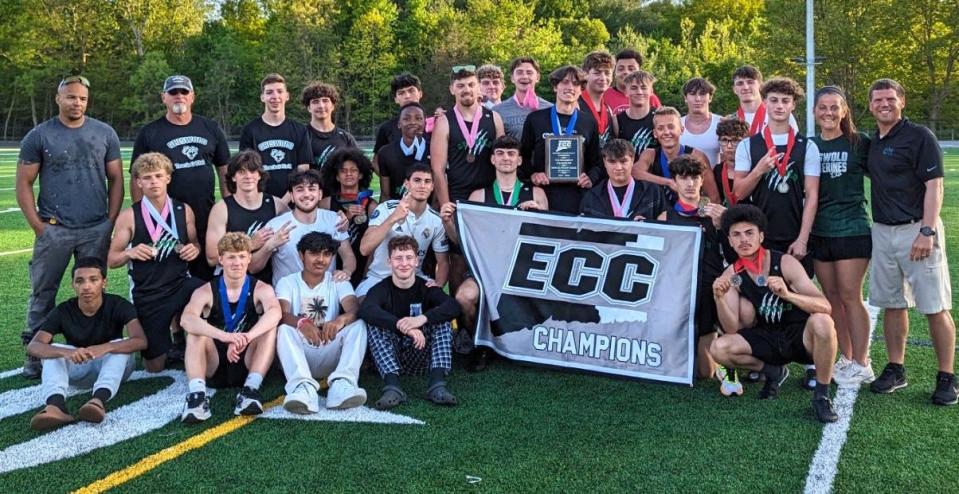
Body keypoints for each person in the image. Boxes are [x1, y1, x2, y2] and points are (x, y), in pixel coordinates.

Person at [16, 75, 123, 379]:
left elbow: (116, 178)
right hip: (55, 228)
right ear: (58, 98)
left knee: (94, 290)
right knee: (43, 292)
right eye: (71, 97)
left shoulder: (104, 132)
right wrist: (38, 226)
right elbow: (23, 183)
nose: (77, 103)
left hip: (94, 229)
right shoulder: (40, 135)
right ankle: (35, 354)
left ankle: (99, 349)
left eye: (82, 99)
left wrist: (110, 221)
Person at [864, 79, 956, 405]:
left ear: (901, 101)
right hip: (882, 231)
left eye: (890, 98)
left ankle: (946, 377)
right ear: (871, 105)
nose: (884, 104)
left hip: (917, 230)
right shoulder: (872, 141)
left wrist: (927, 232)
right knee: (892, 303)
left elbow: (935, 186)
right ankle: (896, 367)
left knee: (934, 306)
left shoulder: (920, 137)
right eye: (878, 100)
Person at [710, 205, 840, 423]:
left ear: (761, 236)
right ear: (730, 241)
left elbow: (825, 306)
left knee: (823, 322)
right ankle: (773, 371)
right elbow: (732, 328)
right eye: (736, 235)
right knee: (719, 348)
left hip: (799, 336)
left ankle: (821, 396)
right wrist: (719, 298)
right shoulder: (732, 274)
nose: (743, 240)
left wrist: (788, 295)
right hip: (767, 337)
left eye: (749, 233)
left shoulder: (785, 263)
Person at [733, 77, 821, 388]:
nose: (779, 106)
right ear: (765, 103)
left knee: (801, 298)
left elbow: (812, 195)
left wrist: (803, 239)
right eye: (773, 100)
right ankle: (770, 360)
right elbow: (739, 191)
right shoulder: (749, 144)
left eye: (785, 101)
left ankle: (812, 362)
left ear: (793, 105)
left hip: (795, 238)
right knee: (761, 299)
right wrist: (760, 169)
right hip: (761, 241)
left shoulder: (806, 145)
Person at [439, 135, 548, 371]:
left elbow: (546, 242)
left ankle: (530, 345)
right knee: (463, 297)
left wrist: (538, 217)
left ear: (520, 160)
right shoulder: (478, 196)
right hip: (485, 270)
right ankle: (482, 345)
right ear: (492, 159)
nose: (506, 158)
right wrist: (448, 223)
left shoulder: (536, 194)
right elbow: (463, 242)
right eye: (500, 153)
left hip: (524, 270)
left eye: (511, 154)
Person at [107, 153, 204, 372]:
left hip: (180, 285)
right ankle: (167, 346)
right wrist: (130, 253)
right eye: (147, 177)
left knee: (211, 292)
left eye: (158, 176)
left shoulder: (183, 210)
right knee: (154, 366)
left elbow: (195, 244)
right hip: (149, 293)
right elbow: (111, 260)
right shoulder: (129, 216)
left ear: (168, 178)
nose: (153, 182)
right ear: (139, 182)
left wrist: (193, 250)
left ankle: (191, 341)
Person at [26, 258, 147, 430]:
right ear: (73, 285)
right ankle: (55, 406)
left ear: (104, 283)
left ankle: (97, 401)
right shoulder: (64, 310)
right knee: (52, 352)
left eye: (93, 280)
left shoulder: (118, 304)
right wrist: (65, 353)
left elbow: (140, 340)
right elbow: (34, 346)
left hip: (115, 368)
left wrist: (105, 348)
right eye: (80, 281)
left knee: (119, 345)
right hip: (80, 368)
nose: (86, 286)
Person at [132, 75, 231, 281]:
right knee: (170, 275)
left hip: (205, 214)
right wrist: (141, 214)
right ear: (164, 97)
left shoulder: (210, 128)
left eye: (184, 92)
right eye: (173, 92)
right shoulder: (149, 132)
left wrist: (229, 205)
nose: (179, 96)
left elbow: (224, 170)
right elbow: (136, 177)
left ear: (192, 96)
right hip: (166, 218)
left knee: (207, 274)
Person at [810, 86, 874, 386]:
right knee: (831, 298)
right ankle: (846, 358)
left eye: (834, 107)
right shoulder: (808, 145)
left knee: (851, 296)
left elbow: (888, 174)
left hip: (852, 228)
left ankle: (862, 361)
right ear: (814, 112)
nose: (828, 113)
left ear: (844, 110)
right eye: (822, 107)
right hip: (820, 231)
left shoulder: (859, 143)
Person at [180, 233, 281, 422]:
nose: (237, 262)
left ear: (249, 258)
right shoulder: (206, 290)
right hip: (214, 363)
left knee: (269, 327)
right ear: (221, 259)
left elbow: (275, 313)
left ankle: (250, 390)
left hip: (248, 362)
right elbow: (186, 319)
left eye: (242, 256)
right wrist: (225, 336)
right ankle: (197, 397)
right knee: (196, 331)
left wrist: (247, 337)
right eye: (231, 257)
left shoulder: (261, 288)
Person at [359, 236, 462, 410]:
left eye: (409, 258)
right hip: (390, 357)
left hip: (420, 356)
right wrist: (403, 326)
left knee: (442, 322)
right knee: (375, 324)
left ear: (416, 261)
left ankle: (437, 385)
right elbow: (366, 310)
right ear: (389, 262)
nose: (404, 263)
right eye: (398, 258)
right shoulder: (381, 288)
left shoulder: (427, 287)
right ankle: (392, 388)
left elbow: (453, 306)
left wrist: (421, 319)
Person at [656, 155, 730, 385]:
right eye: (683, 178)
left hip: (708, 290)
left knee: (704, 373)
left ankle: (720, 342)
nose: (689, 184)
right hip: (677, 292)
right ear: (674, 182)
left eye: (695, 178)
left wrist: (721, 226)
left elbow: (734, 256)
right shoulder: (666, 217)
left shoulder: (717, 214)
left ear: (701, 181)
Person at [275, 232, 368, 412]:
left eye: (326, 254)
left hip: (329, 348)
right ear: (301, 255)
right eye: (314, 253)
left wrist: (340, 320)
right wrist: (302, 322)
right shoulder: (287, 282)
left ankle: (343, 384)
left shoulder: (337, 280)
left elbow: (355, 309)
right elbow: (281, 314)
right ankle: (302, 388)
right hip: (301, 352)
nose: (320, 259)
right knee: (284, 330)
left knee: (358, 325)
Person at [520, 65, 603, 214]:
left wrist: (590, 178)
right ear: (555, 87)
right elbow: (522, 157)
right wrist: (532, 175)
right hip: (542, 193)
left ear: (581, 89)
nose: (570, 87)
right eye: (564, 82)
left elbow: (596, 162)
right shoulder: (535, 119)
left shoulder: (589, 122)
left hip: (577, 195)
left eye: (576, 83)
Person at [249, 170, 355, 287]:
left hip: (326, 294)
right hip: (287, 298)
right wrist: (270, 245)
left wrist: (346, 272)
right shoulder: (276, 225)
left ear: (320, 194)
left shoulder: (334, 219)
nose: (306, 194)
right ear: (292, 196)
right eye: (300, 189)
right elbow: (253, 268)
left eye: (311, 189)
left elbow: (348, 257)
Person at [357, 164, 449, 297]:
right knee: (361, 308)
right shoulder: (386, 209)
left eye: (427, 181)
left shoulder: (436, 220)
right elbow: (364, 248)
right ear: (406, 184)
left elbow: (443, 262)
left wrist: (438, 287)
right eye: (417, 180)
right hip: (379, 277)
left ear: (432, 187)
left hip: (413, 279)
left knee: (443, 309)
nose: (422, 185)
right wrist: (393, 218)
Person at [205, 150, 288, 284]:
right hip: (234, 282)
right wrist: (249, 244)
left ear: (260, 175)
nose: (248, 176)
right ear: (233, 177)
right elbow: (212, 258)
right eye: (241, 172)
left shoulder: (276, 205)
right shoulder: (222, 209)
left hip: (270, 280)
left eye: (252, 171)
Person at [430, 65, 505, 206]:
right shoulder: (444, 122)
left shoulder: (494, 118)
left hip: (489, 195)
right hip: (458, 196)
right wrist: (446, 204)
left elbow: (503, 161)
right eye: (460, 86)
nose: (467, 90)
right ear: (452, 89)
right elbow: (438, 170)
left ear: (478, 88)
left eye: (471, 84)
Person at [239, 73, 312, 200]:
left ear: (287, 96)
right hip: (260, 202)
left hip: (293, 203)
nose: (275, 96)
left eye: (279, 91)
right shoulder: (250, 130)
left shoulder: (300, 129)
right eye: (269, 92)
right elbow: (247, 171)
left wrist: (284, 201)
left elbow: (303, 170)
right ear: (262, 97)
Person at [633, 106, 719, 205]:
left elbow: (714, 198)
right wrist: (668, 182)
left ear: (681, 129)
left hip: (690, 215)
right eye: (660, 128)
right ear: (655, 133)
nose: (666, 132)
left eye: (671, 127)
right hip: (659, 216)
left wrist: (700, 215)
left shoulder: (696, 156)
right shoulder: (650, 154)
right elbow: (635, 172)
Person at [320, 148, 379, 287]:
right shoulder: (326, 203)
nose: (348, 174)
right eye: (343, 170)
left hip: (364, 265)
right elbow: (319, 235)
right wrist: (347, 217)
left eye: (353, 170)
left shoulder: (371, 205)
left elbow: (376, 243)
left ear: (360, 175)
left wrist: (367, 274)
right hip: (333, 265)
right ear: (336, 176)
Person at [580, 138, 666, 220]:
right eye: (612, 162)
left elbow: (665, 226)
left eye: (623, 161)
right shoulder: (592, 197)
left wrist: (648, 225)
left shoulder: (652, 192)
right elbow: (585, 232)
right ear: (604, 162)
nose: (618, 167)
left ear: (632, 160)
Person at [373, 72, 439, 172]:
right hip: (398, 187)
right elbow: (375, 162)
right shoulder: (386, 128)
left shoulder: (436, 124)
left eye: (411, 91)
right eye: (401, 93)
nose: (407, 96)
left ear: (420, 93)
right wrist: (391, 178)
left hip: (428, 186)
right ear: (395, 99)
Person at [377, 102, 430, 202]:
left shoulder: (434, 150)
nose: (413, 122)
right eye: (407, 119)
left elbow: (436, 195)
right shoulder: (386, 153)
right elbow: (385, 194)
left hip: (426, 212)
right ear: (399, 124)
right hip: (396, 211)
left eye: (418, 118)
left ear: (425, 123)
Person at [301, 81, 358, 170]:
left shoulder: (346, 138)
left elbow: (359, 168)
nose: (321, 106)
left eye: (325, 101)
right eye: (315, 102)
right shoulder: (301, 136)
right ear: (309, 108)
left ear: (333, 106)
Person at [492, 57, 553, 140]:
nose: (524, 76)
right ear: (512, 78)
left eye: (529, 72)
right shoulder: (497, 111)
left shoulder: (550, 109)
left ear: (538, 78)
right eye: (519, 72)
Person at [731, 65, 798, 136]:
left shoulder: (781, 115)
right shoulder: (731, 120)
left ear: (760, 85)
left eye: (750, 82)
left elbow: (794, 144)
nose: (745, 87)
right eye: (740, 83)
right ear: (734, 89)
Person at [604, 48, 662, 114]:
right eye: (621, 69)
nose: (626, 72)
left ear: (639, 71)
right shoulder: (604, 96)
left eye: (631, 69)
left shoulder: (649, 97)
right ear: (614, 72)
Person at [680, 77, 722, 166]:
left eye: (702, 94)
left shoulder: (722, 123)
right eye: (692, 94)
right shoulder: (676, 125)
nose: (698, 99)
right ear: (685, 98)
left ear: (710, 97)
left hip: (716, 178)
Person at [580, 51, 619, 146]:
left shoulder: (608, 110)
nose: (603, 78)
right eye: (597, 73)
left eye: (607, 73)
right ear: (585, 75)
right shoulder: (575, 105)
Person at [615, 70, 658, 155]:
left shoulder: (659, 117)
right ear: (626, 92)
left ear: (651, 91)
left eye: (644, 88)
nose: (639, 92)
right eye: (634, 88)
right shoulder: (617, 120)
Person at [714, 118, 749, 206]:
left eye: (735, 140)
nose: (729, 146)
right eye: (724, 140)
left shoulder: (753, 168)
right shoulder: (717, 170)